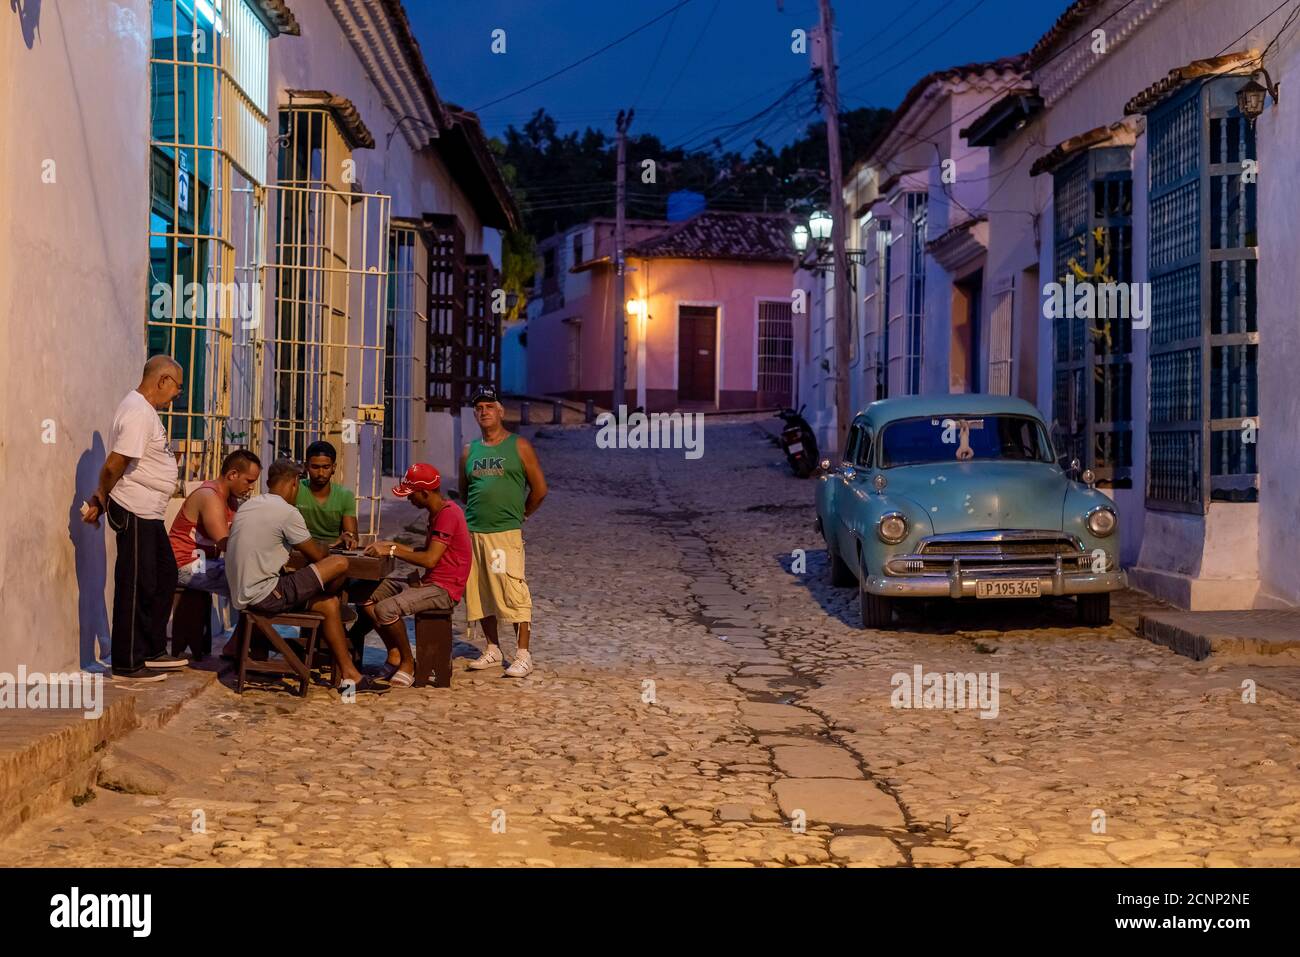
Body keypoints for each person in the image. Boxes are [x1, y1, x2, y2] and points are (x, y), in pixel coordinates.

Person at [226, 459, 386, 694]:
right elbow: (317, 555)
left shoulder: (250, 505)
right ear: (293, 484)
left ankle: (350, 676)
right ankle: (345, 670)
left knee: (329, 605)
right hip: (266, 594)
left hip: (243, 592)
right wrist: (332, 546)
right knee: (340, 563)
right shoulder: (287, 512)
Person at [82, 356, 189, 681]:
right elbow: (115, 464)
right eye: (178, 387)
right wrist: (101, 497)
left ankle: (152, 649)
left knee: (165, 575)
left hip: (150, 513)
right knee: (135, 584)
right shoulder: (138, 412)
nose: (177, 395)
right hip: (135, 510)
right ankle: (128, 662)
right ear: (162, 381)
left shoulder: (146, 412)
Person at [459, 387, 547, 678]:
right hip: (474, 532)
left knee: (511, 588)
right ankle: (493, 648)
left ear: (500, 412)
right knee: (481, 590)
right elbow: (464, 490)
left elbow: (539, 489)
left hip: (504, 534)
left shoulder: (518, 446)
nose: (484, 411)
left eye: (489, 406)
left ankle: (523, 654)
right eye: (479, 407)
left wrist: (521, 514)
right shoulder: (470, 451)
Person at [362, 464, 471, 688]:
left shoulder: (448, 515)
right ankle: (395, 654)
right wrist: (391, 544)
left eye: (411, 495)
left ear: (424, 493)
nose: (409, 500)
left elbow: (430, 559)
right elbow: (426, 553)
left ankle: (408, 663)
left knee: (385, 609)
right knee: (366, 596)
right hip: (430, 581)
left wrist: (393, 551)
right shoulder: (436, 513)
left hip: (444, 588)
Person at [168, 449, 262, 596]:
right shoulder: (209, 496)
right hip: (184, 565)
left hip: (206, 563)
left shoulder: (231, 500)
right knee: (250, 582)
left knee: (258, 577)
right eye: (249, 481)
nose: (251, 487)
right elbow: (227, 544)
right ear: (233, 475)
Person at [296, 440, 358, 547]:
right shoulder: (295, 489)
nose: (321, 473)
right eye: (315, 467)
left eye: (326, 467)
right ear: (306, 467)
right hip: (298, 550)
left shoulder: (345, 496)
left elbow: (352, 537)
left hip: (333, 553)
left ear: (333, 467)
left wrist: (348, 538)